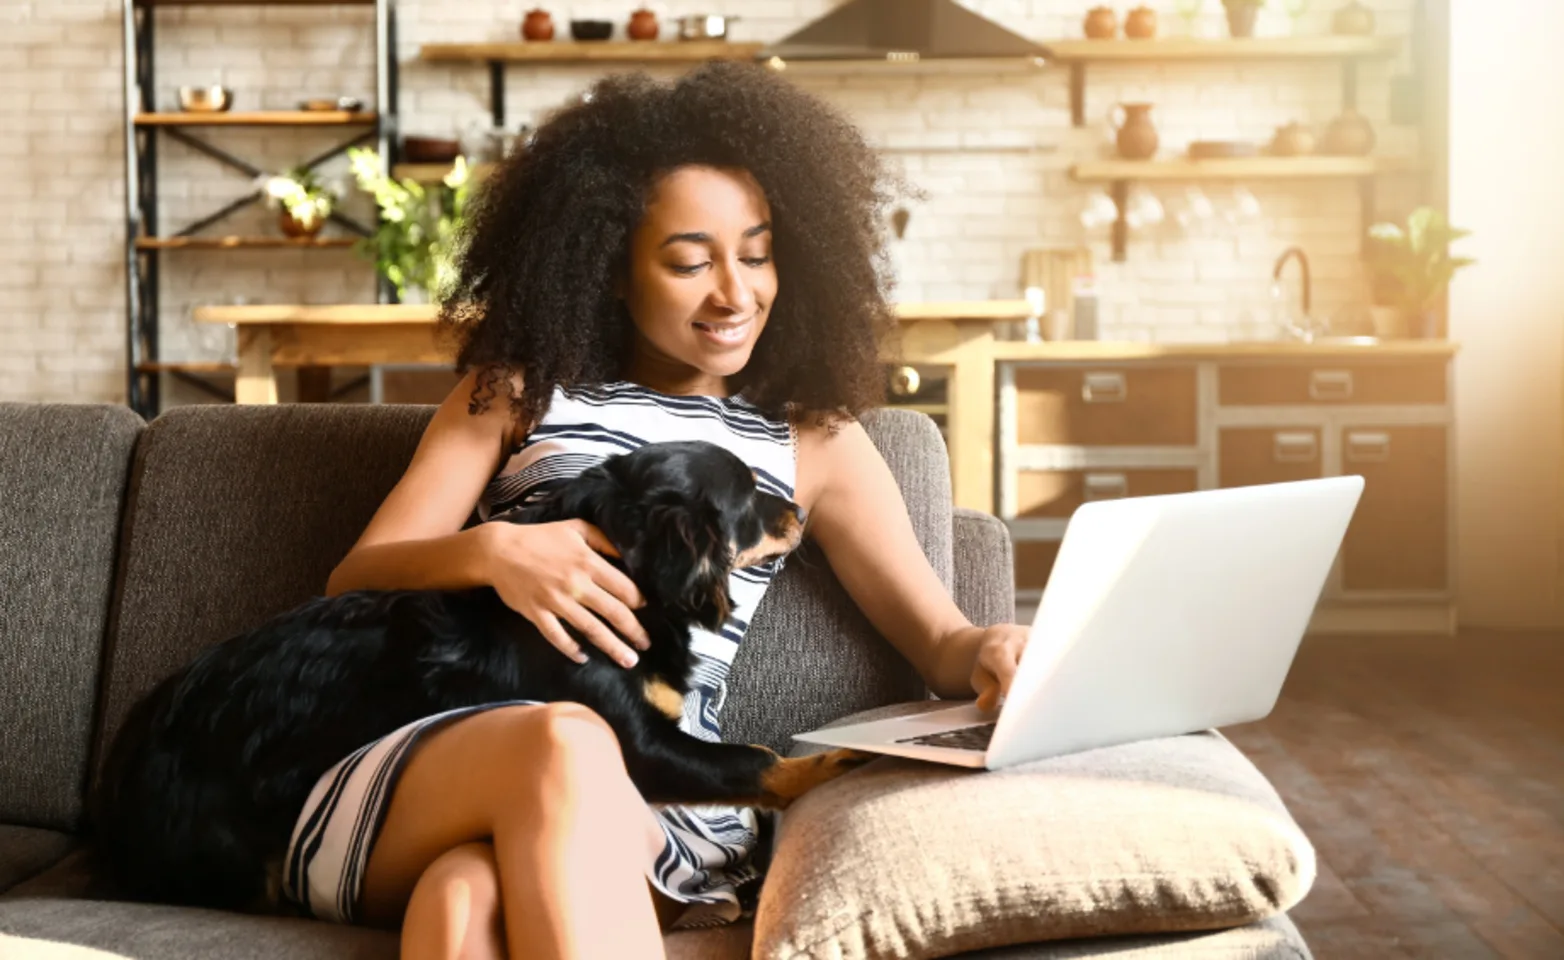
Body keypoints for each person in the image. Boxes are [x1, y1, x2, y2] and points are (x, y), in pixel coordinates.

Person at [294, 61, 1032, 960]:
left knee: (462, 899)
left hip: (650, 789)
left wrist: (993, 648)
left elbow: (940, 643)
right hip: (452, 759)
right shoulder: (515, 396)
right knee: (558, 744)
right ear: (609, 267)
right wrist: (496, 554)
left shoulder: (815, 443)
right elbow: (356, 575)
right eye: (690, 261)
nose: (735, 292)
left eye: (757, 255)